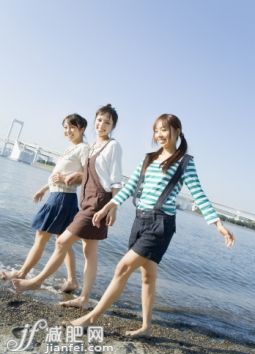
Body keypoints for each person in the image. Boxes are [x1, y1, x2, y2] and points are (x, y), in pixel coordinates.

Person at [62, 113, 235, 337]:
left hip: (161, 225)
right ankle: (146, 326)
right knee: (148, 276)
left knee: (122, 268)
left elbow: (198, 194)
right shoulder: (148, 158)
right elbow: (130, 186)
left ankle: (90, 318)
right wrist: (108, 207)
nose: (160, 134)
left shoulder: (185, 162)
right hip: (140, 220)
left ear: (177, 131)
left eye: (165, 129)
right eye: (157, 130)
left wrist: (218, 224)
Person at [12, 104, 123, 309]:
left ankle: (36, 281)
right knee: (89, 251)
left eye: (107, 122)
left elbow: (116, 180)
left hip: (99, 201)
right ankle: (84, 298)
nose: (101, 125)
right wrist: (71, 177)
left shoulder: (112, 146)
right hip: (87, 200)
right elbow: (85, 174)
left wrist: (112, 207)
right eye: (99, 120)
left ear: (112, 126)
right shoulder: (93, 147)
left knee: (62, 241)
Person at [1, 114, 89, 293]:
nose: (68, 131)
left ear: (82, 129)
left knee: (41, 238)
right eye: (65, 127)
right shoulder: (69, 148)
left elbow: (86, 175)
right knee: (62, 242)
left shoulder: (83, 148)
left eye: (72, 127)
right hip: (58, 196)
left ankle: (21, 274)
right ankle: (72, 281)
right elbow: (56, 175)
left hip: (63, 199)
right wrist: (43, 189)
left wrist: (65, 178)